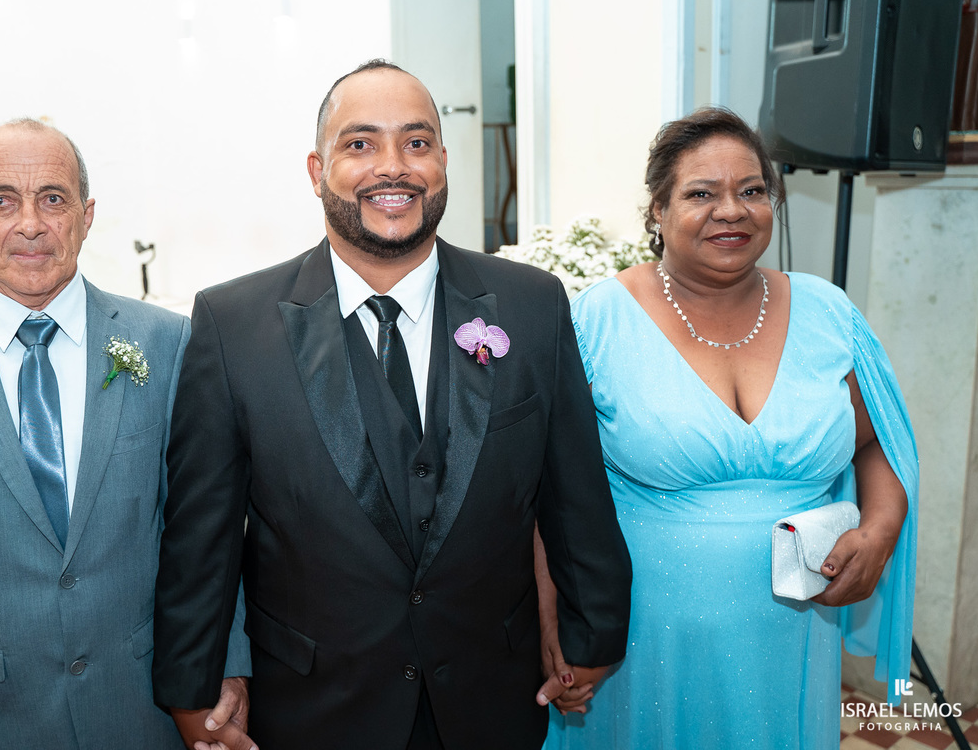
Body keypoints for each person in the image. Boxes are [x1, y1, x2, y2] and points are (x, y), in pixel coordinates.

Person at [152, 59, 633, 750]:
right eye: (360, 144)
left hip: (491, 697)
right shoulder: (233, 324)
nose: (393, 167)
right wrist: (195, 686)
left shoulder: (532, 305)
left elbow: (574, 492)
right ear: (317, 171)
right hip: (315, 705)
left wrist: (595, 631)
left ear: (442, 160)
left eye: (416, 142)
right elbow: (202, 535)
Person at [0, 119, 248, 750]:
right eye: (2, 200)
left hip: (144, 706)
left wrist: (227, 662)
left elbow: (204, 533)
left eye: (54, 198)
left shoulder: (166, 343)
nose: (31, 225)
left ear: (86, 216)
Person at [541, 107, 918, 749]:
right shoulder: (597, 320)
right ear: (657, 211)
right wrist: (556, 627)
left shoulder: (828, 312)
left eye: (751, 190)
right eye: (701, 193)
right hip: (642, 637)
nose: (732, 210)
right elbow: (550, 491)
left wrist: (880, 530)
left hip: (796, 633)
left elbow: (877, 441)